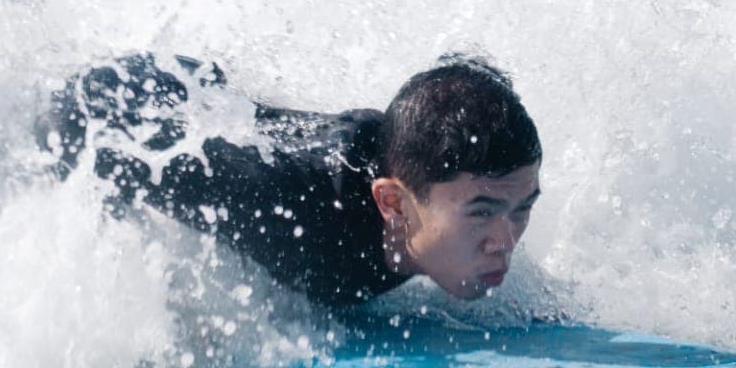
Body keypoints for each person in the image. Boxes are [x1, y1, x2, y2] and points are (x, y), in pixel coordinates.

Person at [38, 54, 542, 307]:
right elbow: (87, 126)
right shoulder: (291, 214)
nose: (505, 242)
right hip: (121, 99)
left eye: (521, 208)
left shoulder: (423, 191)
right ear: (393, 203)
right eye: (480, 212)